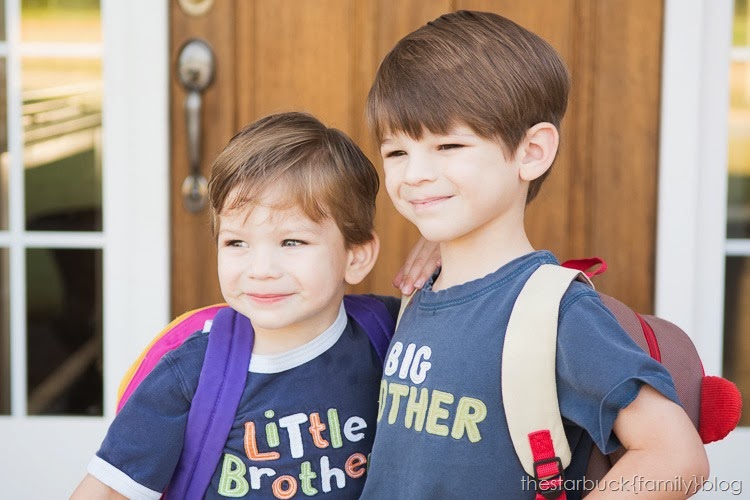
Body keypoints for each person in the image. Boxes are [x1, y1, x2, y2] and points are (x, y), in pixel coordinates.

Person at [360, 10, 709, 499]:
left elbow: (676, 458)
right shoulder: (420, 297)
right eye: (396, 152)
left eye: (449, 145)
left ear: (532, 152)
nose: (414, 173)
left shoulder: (557, 313)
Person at [71, 112, 438, 499]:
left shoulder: (389, 330)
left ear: (356, 256)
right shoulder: (191, 371)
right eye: (236, 243)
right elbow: (109, 492)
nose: (260, 270)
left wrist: (443, 245)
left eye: (292, 242)